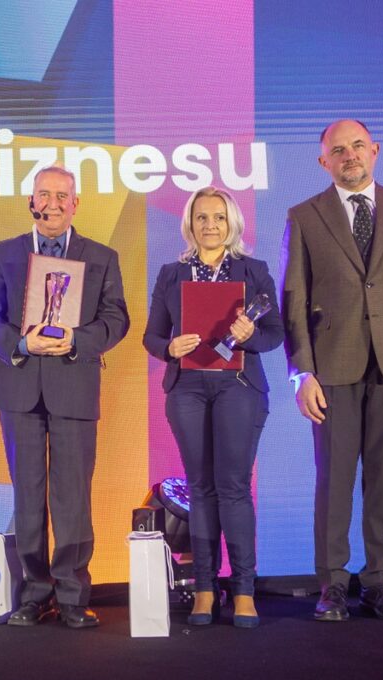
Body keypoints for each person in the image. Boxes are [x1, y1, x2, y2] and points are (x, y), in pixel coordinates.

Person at [280, 119, 383, 622]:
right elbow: (295, 301)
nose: (349, 155)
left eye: (357, 146)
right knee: (332, 480)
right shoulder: (304, 216)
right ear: (323, 162)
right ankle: (332, 585)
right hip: (331, 367)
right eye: (338, 149)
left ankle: (379, 581)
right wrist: (300, 373)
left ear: (374, 151)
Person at [0, 166, 129, 629]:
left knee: (73, 497)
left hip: (74, 384)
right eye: (45, 194)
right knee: (28, 495)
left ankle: (74, 594)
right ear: (31, 201)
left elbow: (115, 318)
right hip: (17, 383)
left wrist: (78, 340)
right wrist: (21, 343)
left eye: (63, 195)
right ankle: (34, 594)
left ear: (76, 204)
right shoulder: (4, 254)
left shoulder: (101, 256)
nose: (54, 203)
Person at [142, 186, 283, 628]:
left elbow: (276, 332)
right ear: (190, 224)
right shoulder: (171, 273)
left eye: (218, 217)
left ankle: (243, 589)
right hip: (187, 387)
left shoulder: (253, 270)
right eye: (201, 217)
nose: (210, 225)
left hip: (237, 385)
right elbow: (151, 337)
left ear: (232, 223)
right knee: (199, 488)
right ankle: (205, 588)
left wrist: (248, 336)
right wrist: (170, 347)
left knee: (233, 487)